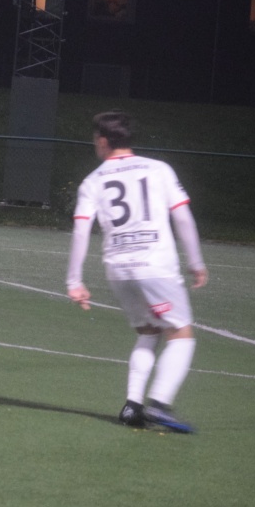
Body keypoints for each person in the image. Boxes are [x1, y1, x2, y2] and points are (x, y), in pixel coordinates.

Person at [65, 110, 207, 433]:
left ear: (103, 141)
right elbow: (182, 218)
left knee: (149, 331)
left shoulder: (93, 180)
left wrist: (75, 281)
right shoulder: (158, 169)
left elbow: (81, 230)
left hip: (119, 270)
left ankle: (132, 406)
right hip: (156, 266)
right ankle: (160, 404)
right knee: (181, 334)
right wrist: (196, 262)